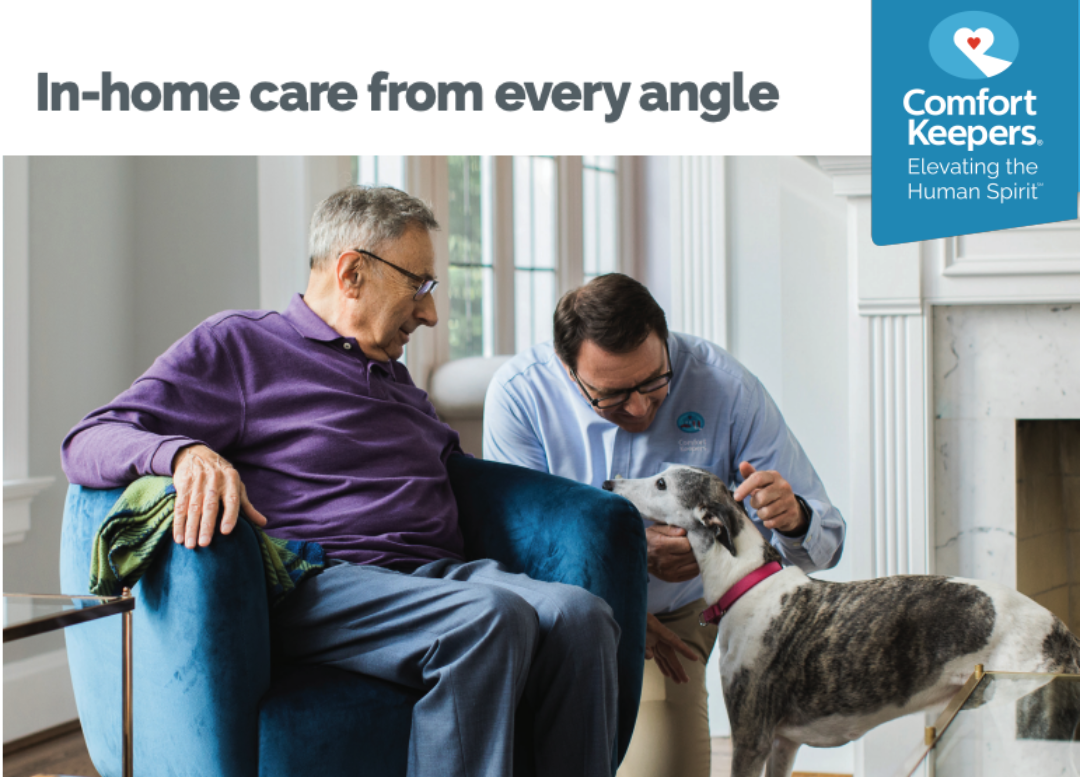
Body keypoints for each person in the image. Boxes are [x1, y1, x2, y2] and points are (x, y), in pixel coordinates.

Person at [61, 186, 621, 777]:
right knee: (487, 620)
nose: (430, 313)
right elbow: (89, 439)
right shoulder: (243, 345)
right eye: (420, 285)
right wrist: (184, 454)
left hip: (441, 577)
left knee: (582, 617)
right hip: (328, 579)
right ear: (353, 273)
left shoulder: (395, 378)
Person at [483, 273, 846, 777]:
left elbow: (824, 547)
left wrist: (793, 518)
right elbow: (514, 549)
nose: (639, 408)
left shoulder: (728, 386)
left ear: (666, 341)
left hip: (676, 620)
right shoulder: (520, 396)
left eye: (655, 382)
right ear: (567, 369)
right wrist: (620, 587)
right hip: (558, 614)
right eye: (610, 396)